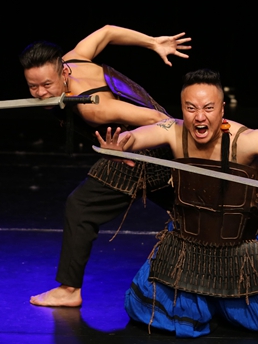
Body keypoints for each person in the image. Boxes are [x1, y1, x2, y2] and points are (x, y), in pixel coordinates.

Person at [95, 68, 258, 338]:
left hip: (237, 252)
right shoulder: (173, 130)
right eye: (191, 108)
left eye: (208, 108)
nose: (199, 117)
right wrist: (119, 146)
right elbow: (136, 136)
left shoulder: (245, 140)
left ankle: (222, 306)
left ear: (222, 110)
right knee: (140, 307)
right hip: (186, 248)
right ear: (183, 109)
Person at [19, 25, 191, 307]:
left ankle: (69, 289)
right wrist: (152, 42)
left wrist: (196, 144)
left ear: (64, 73)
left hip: (142, 149)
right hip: (143, 147)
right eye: (33, 86)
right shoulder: (74, 58)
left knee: (80, 206)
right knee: (188, 212)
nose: (40, 93)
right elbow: (108, 31)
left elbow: (160, 120)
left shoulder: (94, 108)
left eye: (47, 85)